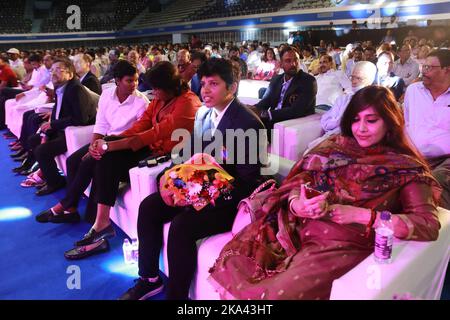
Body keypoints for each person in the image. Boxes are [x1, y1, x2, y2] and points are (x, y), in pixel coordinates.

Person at [209, 85, 441, 300]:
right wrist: (297, 203)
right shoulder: (335, 146)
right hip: (297, 224)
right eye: (355, 120)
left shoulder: (405, 168)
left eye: (371, 121)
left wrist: (362, 216)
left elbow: (426, 224)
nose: (360, 129)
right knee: (237, 261)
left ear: (390, 122)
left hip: (340, 243)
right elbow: (300, 180)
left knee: (278, 294)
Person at [119, 58, 266, 300]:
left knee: (182, 226)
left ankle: (177, 297)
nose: (205, 90)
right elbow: (187, 155)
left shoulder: (248, 124)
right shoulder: (205, 115)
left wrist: (201, 196)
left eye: (214, 84)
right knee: (150, 206)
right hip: (198, 187)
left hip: (228, 200)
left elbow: (247, 183)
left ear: (232, 87)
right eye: (204, 83)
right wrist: (171, 181)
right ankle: (149, 278)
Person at [62, 61, 202, 259]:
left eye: (156, 89)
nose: (153, 92)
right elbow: (141, 125)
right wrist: (110, 140)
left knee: (104, 156)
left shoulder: (187, 103)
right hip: (151, 148)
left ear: (169, 87)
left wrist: (110, 144)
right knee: (102, 157)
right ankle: (99, 222)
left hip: (169, 155)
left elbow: (153, 133)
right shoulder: (160, 99)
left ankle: (83, 213)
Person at [36, 60, 149, 223]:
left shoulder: (141, 102)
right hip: (104, 141)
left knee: (89, 161)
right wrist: (93, 145)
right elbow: (101, 124)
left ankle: (65, 205)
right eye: (129, 80)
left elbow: (137, 135)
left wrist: (101, 147)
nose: (134, 84)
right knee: (73, 161)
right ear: (117, 80)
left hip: (123, 146)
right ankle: (71, 209)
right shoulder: (107, 95)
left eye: (136, 80)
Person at [27, 57, 98, 196]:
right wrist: (48, 129)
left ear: (70, 74)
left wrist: (53, 124)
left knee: (42, 150)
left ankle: (55, 182)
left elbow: (81, 118)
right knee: (34, 140)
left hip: (76, 132)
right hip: (63, 129)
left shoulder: (76, 89)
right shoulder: (60, 87)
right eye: (52, 70)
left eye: (59, 70)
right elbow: (57, 111)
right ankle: (49, 175)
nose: (54, 73)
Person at [403, 49, 450, 209]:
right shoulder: (413, 91)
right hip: (412, 155)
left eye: (429, 68)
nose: (424, 71)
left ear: (447, 70)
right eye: (423, 67)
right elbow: (406, 122)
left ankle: (435, 227)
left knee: (435, 182)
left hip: (445, 161)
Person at [253, 46, 317, 131]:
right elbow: (265, 101)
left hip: (289, 125)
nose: (293, 64)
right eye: (288, 61)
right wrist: (252, 110)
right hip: (271, 121)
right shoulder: (276, 79)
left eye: (296, 60)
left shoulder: (308, 81)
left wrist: (267, 114)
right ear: (281, 64)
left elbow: (296, 110)